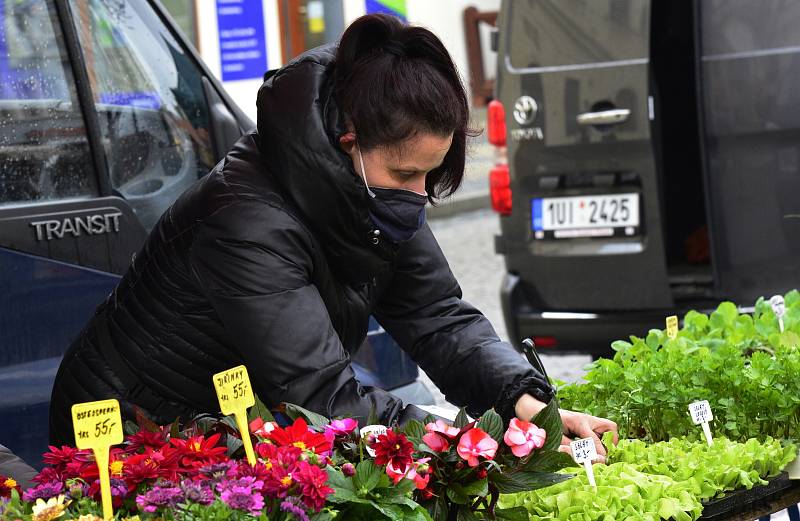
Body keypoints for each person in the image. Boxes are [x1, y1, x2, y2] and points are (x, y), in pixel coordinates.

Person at [49, 14, 617, 455]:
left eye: (429, 174)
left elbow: (439, 316)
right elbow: (323, 397)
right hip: (132, 430)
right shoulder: (245, 223)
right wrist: (477, 443)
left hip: (242, 417)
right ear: (350, 143)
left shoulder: (379, 192)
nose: (419, 193)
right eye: (406, 174)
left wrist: (526, 409)